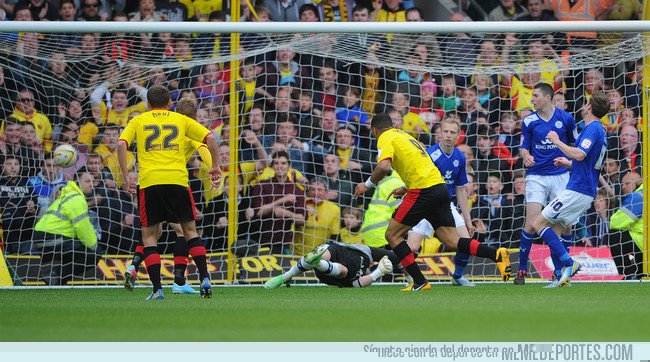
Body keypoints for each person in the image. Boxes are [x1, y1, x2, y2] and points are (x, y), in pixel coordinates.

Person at [353, 113, 511, 291]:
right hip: (440, 188)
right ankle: (496, 254)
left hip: (422, 191)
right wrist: (406, 187)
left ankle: (420, 281)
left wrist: (367, 184)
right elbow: (419, 165)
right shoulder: (404, 135)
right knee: (452, 241)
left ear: (374, 130)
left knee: (392, 235)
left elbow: (383, 166)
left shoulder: (385, 137)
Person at [117, 85, 221, 300]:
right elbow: (209, 142)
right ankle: (200, 279)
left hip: (150, 182)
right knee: (188, 232)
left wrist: (126, 175)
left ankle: (155, 286)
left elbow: (120, 143)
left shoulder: (139, 120)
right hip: (177, 181)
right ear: (170, 104)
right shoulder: (182, 123)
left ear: (148, 104)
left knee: (151, 236)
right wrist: (215, 169)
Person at [532, 91, 609, 287]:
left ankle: (569, 263)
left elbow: (581, 154)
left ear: (590, 107)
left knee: (538, 224)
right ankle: (561, 277)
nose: (583, 105)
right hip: (584, 187)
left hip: (578, 189)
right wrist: (567, 163)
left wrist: (557, 141)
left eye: (586, 103)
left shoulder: (593, 129)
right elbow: (588, 162)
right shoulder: (598, 130)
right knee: (555, 229)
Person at [516, 82, 577, 285]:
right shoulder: (529, 121)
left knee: (565, 225)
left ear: (548, 98)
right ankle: (522, 269)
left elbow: (574, 146)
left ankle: (561, 273)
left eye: (535, 96)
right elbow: (523, 147)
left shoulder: (566, 119)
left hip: (561, 175)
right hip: (536, 176)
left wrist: (569, 163)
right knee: (533, 223)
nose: (532, 99)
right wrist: (526, 156)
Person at [407, 119, 476, 287]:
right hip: (425, 204)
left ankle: (458, 276)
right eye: (445, 131)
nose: (448, 135)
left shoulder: (460, 157)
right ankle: (412, 278)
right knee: (411, 247)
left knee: (466, 243)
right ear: (440, 133)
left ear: (458, 136)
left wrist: (468, 220)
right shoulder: (430, 155)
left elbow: (460, 189)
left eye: (452, 132)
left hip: (445, 205)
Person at [33, 172, 99, 285]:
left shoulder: (67, 195)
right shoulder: (76, 199)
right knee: (94, 253)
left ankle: (57, 280)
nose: (91, 185)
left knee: (75, 251)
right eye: (87, 181)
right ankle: (55, 274)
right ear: (78, 183)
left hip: (41, 237)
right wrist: (94, 245)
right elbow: (83, 227)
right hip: (51, 238)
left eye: (93, 182)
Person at [264, 242, 396, 289]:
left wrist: (379, 272)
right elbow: (397, 257)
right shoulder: (368, 253)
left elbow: (358, 284)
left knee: (343, 271)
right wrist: (408, 278)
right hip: (337, 250)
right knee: (326, 253)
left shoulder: (356, 278)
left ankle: (317, 262)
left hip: (331, 274)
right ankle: (285, 277)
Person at [609, 172, 643, 279]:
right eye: (622, 184)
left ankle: (627, 273)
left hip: (643, 242)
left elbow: (616, 223)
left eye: (627, 183)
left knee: (614, 234)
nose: (623, 187)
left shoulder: (637, 197)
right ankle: (639, 271)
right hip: (642, 242)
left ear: (639, 182)